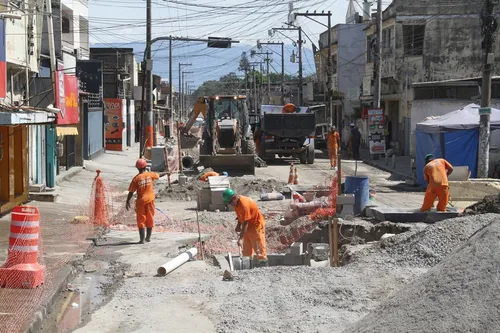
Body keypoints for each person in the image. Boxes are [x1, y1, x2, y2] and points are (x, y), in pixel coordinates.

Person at [126, 159, 168, 243]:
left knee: (141, 219)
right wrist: (167, 172)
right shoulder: (150, 174)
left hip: (141, 201)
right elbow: (158, 175)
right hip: (150, 200)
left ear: (137, 168)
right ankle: (148, 238)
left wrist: (127, 201)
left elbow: (131, 192)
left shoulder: (136, 179)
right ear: (145, 167)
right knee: (150, 218)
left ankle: (142, 240)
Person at [223, 188, 268, 263]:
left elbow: (246, 222)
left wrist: (241, 238)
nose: (230, 204)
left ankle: (262, 265)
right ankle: (248, 267)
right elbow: (241, 216)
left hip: (256, 225)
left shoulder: (244, 205)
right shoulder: (236, 203)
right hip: (247, 226)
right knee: (247, 250)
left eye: (230, 202)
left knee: (258, 249)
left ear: (234, 198)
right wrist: (238, 225)